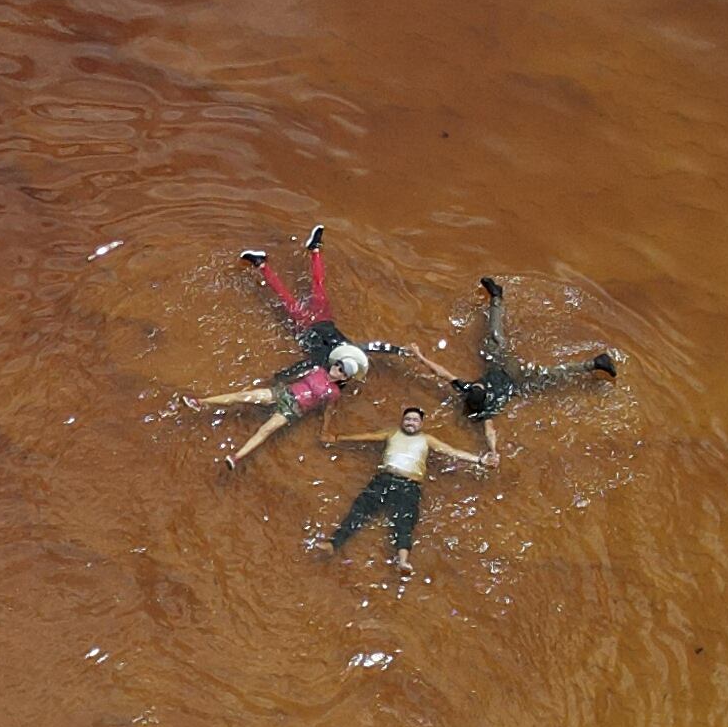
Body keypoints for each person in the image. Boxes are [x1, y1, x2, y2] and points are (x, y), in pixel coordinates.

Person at [195, 224, 391, 467]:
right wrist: (399, 351)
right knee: (318, 289)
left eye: (341, 368)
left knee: (286, 298)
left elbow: (312, 380)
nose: (337, 366)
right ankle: (315, 249)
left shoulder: (326, 375)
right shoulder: (343, 350)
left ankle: (262, 265)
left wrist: (282, 376)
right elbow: (369, 346)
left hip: (306, 330)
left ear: (344, 377)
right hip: (323, 320)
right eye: (339, 364)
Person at [389, 274, 619, 438]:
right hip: (515, 380)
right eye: (479, 386)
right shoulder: (486, 408)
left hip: (500, 366)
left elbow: (441, 373)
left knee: (496, 338)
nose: (477, 383)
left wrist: (419, 356)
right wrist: (493, 452)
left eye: (475, 385)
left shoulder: (469, 391)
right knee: (551, 375)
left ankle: (496, 298)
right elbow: (489, 430)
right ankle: (595, 364)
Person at [321, 405, 492, 564]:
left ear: (421, 424)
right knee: (359, 511)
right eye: (407, 419)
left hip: (410, 485)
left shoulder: (427, 439)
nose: (410, 422)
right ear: (402, 421)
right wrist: (337, 438)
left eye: (415, 420)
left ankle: (403, 561)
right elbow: (368, 436)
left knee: (405, 522)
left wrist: (479, 460)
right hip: (384, 479)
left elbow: (451, 451)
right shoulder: (392, 432)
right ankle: (333, 544)